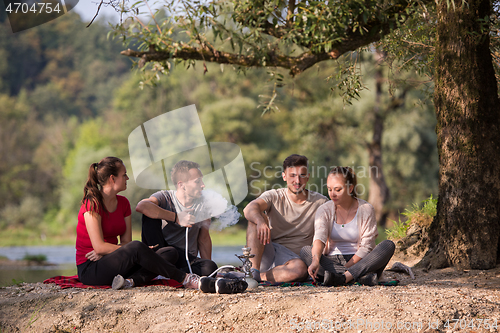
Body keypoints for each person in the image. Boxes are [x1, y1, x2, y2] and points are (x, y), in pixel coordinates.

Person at [75, 157, 201, 290]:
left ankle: (129, 282)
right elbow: (100, 247)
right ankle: (185, 278)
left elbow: (125, 243)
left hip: (115, 261)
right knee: (137, 247)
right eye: (124, 175)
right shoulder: (92, 204)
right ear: (112, 178)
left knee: (169, 253)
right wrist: (131, 249)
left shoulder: (124, 203)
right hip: (91, 267)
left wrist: (114, 250)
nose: (127, 178)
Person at [300, 167, 395, 286]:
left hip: (361, 261)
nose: (332, 194)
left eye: (338, 189)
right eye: (329, 189)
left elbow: (367, 247)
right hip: (331, 261)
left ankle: (342, 278)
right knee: (306, 251)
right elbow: (319, 238)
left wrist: (348, 268)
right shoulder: (324, 210)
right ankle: (358, 278)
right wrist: (315, 260)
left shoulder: (366, 209)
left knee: (388, 245)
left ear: (350, 188)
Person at [243, 154, 329, 283]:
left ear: (308, 177)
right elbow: (249, 208)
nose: (297, 181)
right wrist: (260, 221)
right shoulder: (274, 196)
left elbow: (330, 233)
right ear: (284, 176)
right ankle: (253, 271)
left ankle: (256, 277)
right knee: (255, 217)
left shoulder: (321, 202)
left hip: (295, 261)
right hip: (267, 252)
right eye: (292, 175)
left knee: (300, 269)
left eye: (302, 175)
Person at [136, 160, 218, 277]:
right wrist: (177, 218)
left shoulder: (203, 205)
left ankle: (166, 273)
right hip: (163, 253)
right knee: (150, 213)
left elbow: (204, 239)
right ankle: (162, 269)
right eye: (197, 181)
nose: (203, 185)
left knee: (210, 267)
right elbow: (142, 206)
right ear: (181, 185)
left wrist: (210, 274)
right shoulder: (164, 197)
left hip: (185, 259)